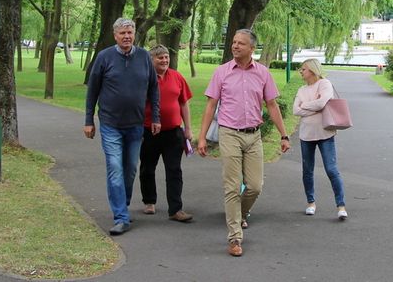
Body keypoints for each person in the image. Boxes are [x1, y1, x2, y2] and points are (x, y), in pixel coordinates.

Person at [198, 29, 291, 257]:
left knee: (255, 185)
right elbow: (211, 106)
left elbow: (271, 105)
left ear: (252, 49)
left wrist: (284, 134)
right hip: (229, 133)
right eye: (233, 42)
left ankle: (238, 215)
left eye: (241, 43)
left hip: (254, 135)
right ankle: (235, 237)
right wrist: (201, 137)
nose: (235, 46)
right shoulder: (221, 72)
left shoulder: (262, 73)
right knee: (231, 186)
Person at [84, 18, 160, 235]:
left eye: (130, 32)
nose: (126, 36)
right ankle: (121, 216)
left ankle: (122, 202)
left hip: (135, 125)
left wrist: (155, 117)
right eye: (122, 33)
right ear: (115, 35)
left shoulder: (144, 57)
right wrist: (89, 120)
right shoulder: (104, 57)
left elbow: (154, 89)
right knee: (115, 169)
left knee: (130, 169)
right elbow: (92, 91)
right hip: (110, 124)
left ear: (134, 33)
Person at [139, 44, 194, 222]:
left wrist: (188, 128)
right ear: (151, 60)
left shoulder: (177, 77)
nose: (164, 60)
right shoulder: (144, 78)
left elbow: (184, 103)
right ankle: (149, 201)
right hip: (149, 132)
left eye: (166, 57)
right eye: (160, 57)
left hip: (173, 133)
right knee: (147, 168)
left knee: (174, 170)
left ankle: (175, 209)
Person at [292, 58, 347, 221]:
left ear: (312, 70)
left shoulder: (325, 84)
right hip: (306, 134)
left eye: (303, 69)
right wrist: (315, 108)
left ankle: (341, 205)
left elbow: (323, 102)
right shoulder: (301, 89)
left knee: (331, 169)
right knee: (307, 170)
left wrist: (306, 106)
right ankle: (311, 203)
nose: (301, 72)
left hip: (325, 133)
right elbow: (295, 110)